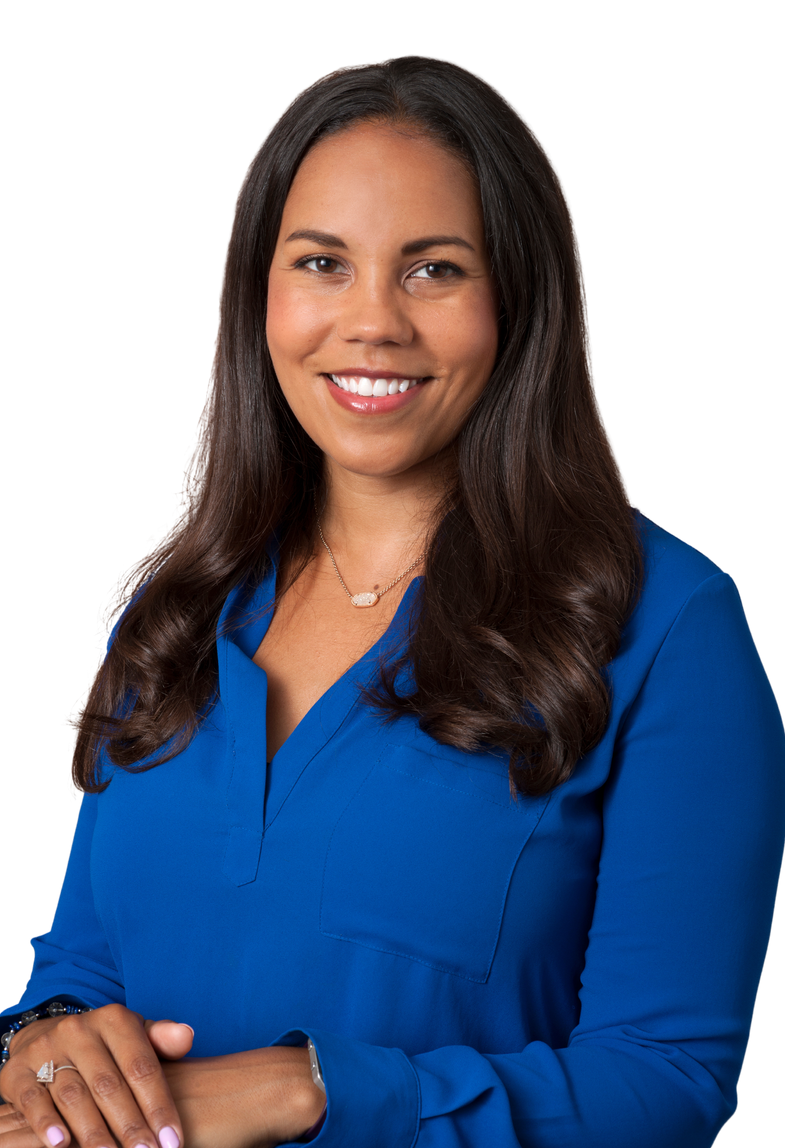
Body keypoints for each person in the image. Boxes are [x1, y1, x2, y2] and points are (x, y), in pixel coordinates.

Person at [1, 54, 783, 1148]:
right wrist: (47, 1038)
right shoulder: (166, 617)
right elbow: (79, 963)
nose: (371, 322)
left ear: (517, 299)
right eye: (322, 261)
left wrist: (306, 1086)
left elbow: (668, 1080)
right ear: (256, 294)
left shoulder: (671, 629)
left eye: (432, 270)